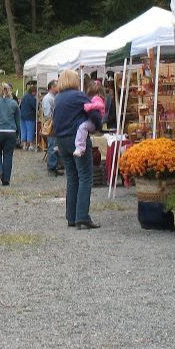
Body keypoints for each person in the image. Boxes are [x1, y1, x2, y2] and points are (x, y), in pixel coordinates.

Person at [53, 69, 103, 230]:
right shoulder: (78, 95)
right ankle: (82, 216)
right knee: (85, 176)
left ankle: (71, 216)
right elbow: (94, 112)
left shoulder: (58, 98)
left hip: (61, 140)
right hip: (77, 139)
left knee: (72, 177)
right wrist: (97, 126)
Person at [74, 81, 107, 157]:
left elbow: (100, 105)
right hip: (92, 120)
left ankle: (80, 147)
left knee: (83, 127)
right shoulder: (97, 98)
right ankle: (79, 146)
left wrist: (89, 106)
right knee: (82, 127)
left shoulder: (96, 98)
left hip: (93, 121)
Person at [41, 80, 60, 175]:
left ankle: (55, 166)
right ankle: (51, 167)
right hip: (51, 124)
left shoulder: (53, 97)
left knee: (55, 145)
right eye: (57, 86)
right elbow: (48, 114)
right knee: (52, 146)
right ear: (52, 87)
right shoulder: (48, 98)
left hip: (54, 123)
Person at [19, 83, 38, 151]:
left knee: (23, 130)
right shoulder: (32, 98)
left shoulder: (24, 96)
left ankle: (24, 145)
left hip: (22, 116)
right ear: (34, 92)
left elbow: (20, 106)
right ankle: (30, 145)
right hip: (30, 116)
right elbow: (35, 107)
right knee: (30, 130)